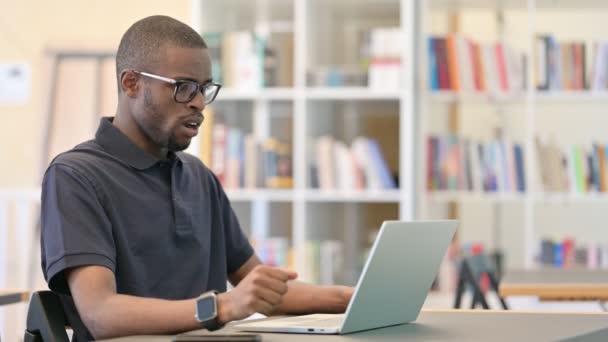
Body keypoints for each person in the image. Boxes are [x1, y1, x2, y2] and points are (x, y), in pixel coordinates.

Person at [40, 15, 353, 341]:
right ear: (131, 83)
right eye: (183, 87)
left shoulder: (199, 177)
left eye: (205, 89)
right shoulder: (75, 177)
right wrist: (221, 307)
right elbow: (101, 314)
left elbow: (263, 293)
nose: (199, 102)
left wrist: (353, 298)